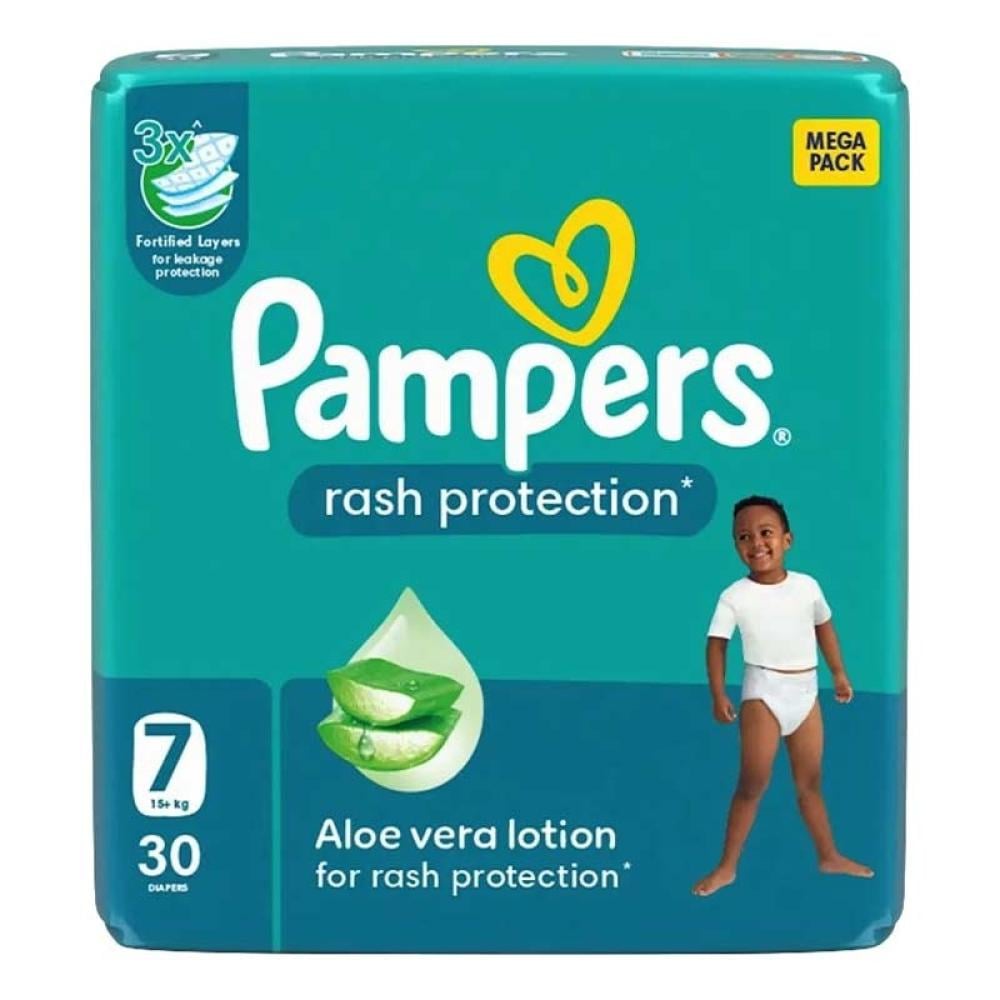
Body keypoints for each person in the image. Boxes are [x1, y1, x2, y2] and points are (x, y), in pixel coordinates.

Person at [692, 495, 873, 896]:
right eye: (744, 537)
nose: (756, 543)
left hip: (806, 690)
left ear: (787, 539)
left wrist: (838, 673)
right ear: (735, 546)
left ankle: (829, 855)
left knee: (810, 781)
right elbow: (716, 644)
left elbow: (824, 627)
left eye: (765, 532)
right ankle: (727, 867)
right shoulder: (734, 596)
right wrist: (718, 694)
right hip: (764, 691)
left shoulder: (807, 587)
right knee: (753, 781)